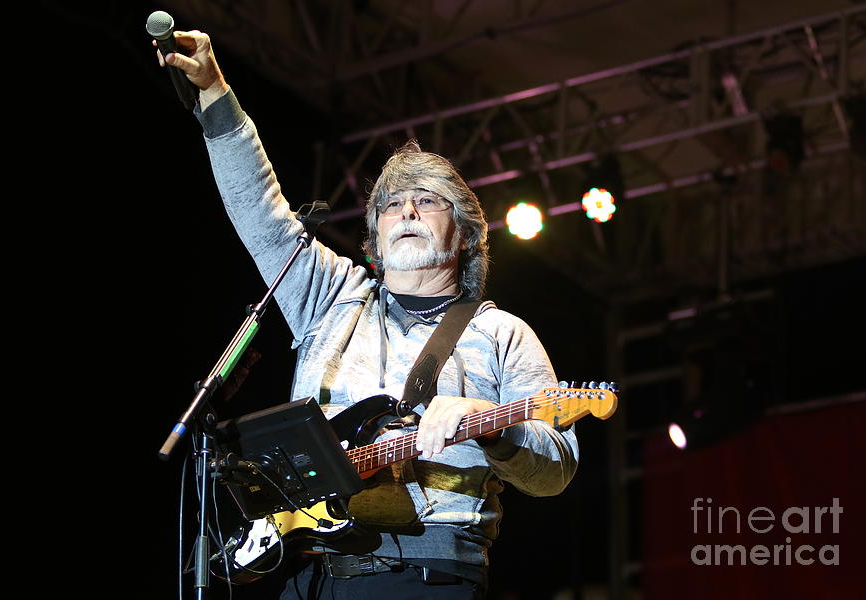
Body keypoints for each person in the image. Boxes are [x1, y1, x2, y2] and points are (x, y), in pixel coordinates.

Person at [158, 31, 579, 600]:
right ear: (374, 238)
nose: (406, 210)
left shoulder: (502, 334)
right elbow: (259, 208)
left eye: (427, 200)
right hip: (309, 573)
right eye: (390, 204)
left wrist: (492, 424)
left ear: (466, 235)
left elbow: (556, 467)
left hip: (429, 575)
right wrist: (214, 92)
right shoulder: (330, 298)